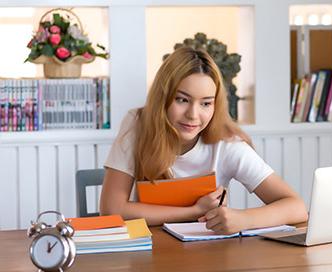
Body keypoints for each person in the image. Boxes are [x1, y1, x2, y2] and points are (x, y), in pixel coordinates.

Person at [100, 47, 308, 234]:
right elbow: (112, 209)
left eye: (206, 103)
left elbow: (297, 207)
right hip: (150, 253)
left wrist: (245, 219)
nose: (193, 114)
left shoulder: (227, 144)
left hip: (209, 256)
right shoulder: (138, 124)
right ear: (163, 98)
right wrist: (194, 211)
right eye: (182, 100)